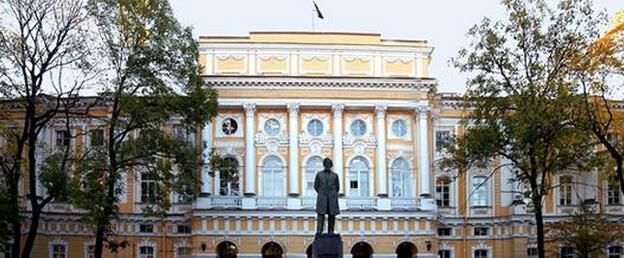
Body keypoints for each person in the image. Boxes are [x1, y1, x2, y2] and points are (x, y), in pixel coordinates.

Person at [314, 157, 340, 235]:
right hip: (322, 197)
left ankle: (331, 230)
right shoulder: (319, 174)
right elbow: (316, 186)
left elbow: (337, 187)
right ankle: (319, 230)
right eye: (326, 163)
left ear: (331, 165)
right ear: (324, 164)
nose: (327, 165)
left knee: (332, 215)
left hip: (332, 198)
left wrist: (332, 194)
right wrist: (322, 193)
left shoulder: (335, 175)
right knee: (320, 215)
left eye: (329, 164)